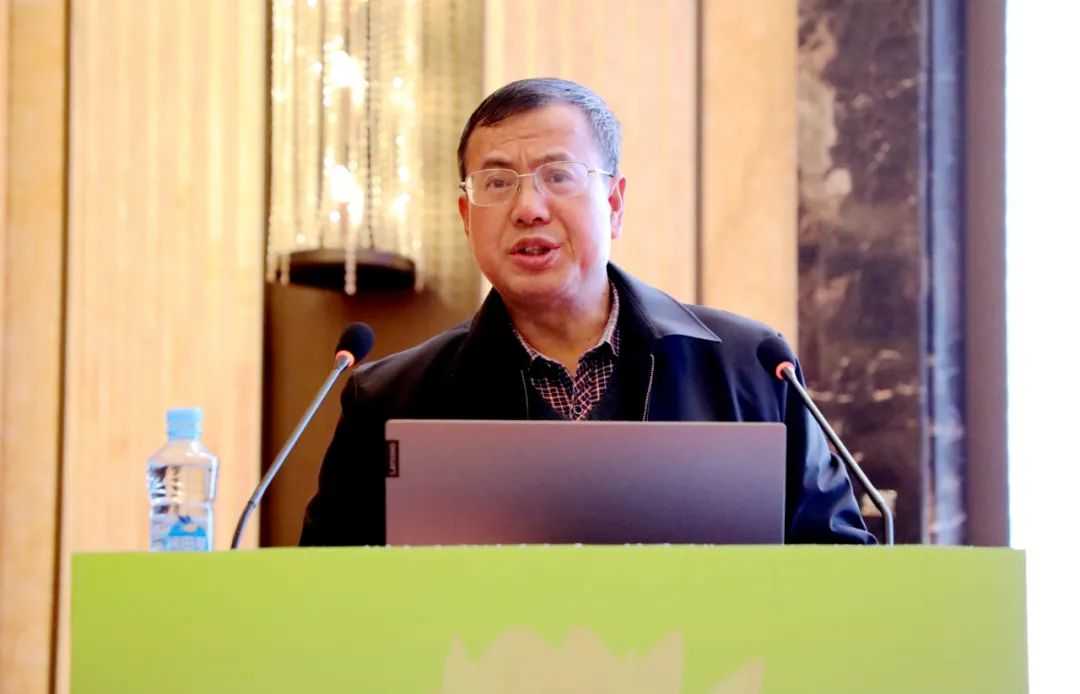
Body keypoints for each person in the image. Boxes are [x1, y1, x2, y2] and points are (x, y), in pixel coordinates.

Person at [299, 78, 874, 546]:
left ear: (614, 203)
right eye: (496, 182)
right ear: (466, 217)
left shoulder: (754, 369)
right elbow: (331, 598)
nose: (528, 208)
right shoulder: (390, 401)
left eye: (559, 176)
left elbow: (840, 568)